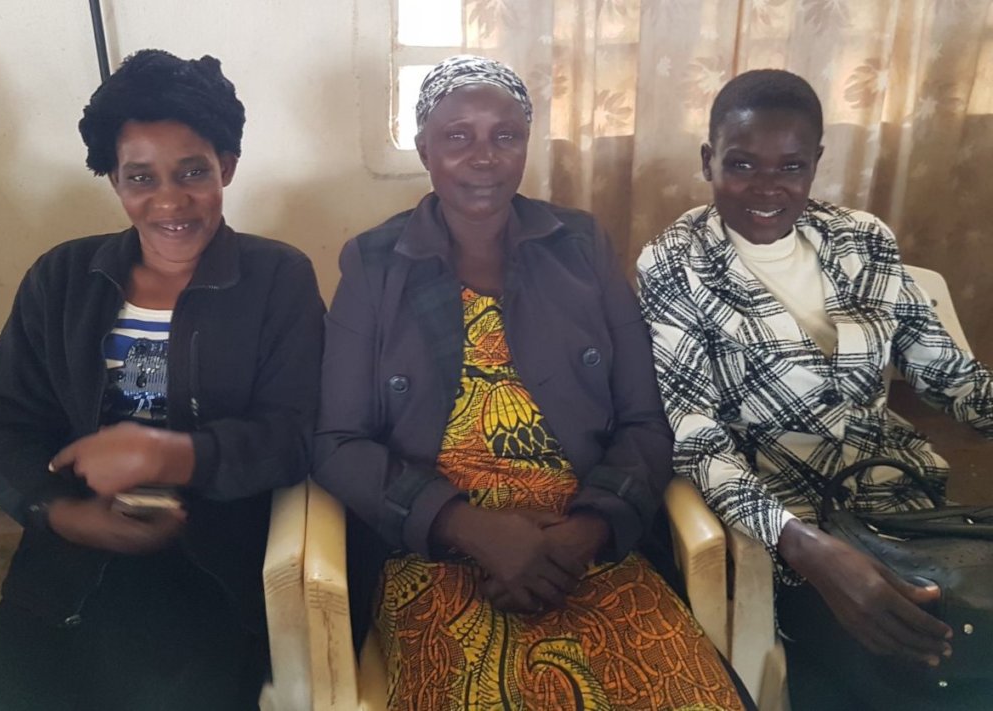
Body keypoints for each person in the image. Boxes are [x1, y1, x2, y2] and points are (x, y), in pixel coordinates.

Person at [314, 55, 746, 710]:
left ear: (526, 144)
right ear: (425, 148)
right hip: (436, 555)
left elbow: (644, 420)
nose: (484, 156)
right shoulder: (375, 265)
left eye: (505, 135)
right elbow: (337, 442)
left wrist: (584, 533)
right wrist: (467, 526)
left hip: (587, 544)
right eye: (458, 136)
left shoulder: (581, 247)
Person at [0, 49, 325, 710]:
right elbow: (7, 424)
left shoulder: (278, 279)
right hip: (68, 558)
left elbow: (295, 434)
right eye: (140, 177)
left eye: (193, 171)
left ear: (226, 166)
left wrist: (170, 454)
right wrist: (61, 511)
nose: (169, 201)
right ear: (113, 178)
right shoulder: (62, 278)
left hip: (212, 556)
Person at [636, 68, 993, 709]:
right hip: (777, 519)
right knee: (910, 659)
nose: (767, 187)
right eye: (742, 164)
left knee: (960, 634)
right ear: (709, 160)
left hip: (900, 502)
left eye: (791, 166)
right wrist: (808, 549)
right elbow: (696, 439)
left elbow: (950, 376)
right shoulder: (673, 263)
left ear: (816, 163)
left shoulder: (863, 240)